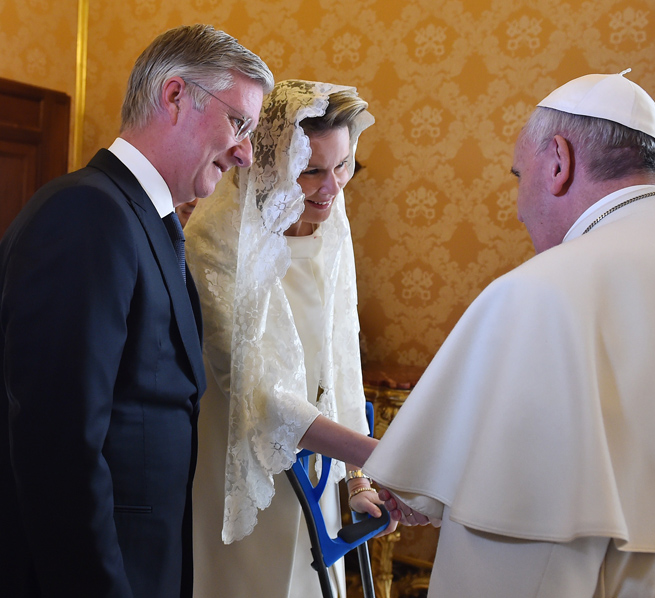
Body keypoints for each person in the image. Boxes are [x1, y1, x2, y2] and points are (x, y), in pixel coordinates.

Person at [363, 72, 655, 597]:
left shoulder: (541, 292)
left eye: (518, 175)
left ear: (558, 161)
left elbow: (520, 545)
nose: (520, 207)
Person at [0, 24, 272, 598]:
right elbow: (60, 443)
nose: (246, 152)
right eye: (239, 123)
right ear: (175, 96)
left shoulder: (144, 220)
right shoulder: (87, 214)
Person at [185, 80, 415, 598]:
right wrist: (386, 457)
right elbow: (258, 396)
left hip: (321, 465)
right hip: (243, 463)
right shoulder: (215, 240)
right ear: (268, 164)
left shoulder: (330, 224)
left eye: (342, 166)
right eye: (311, 170)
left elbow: (339, 356)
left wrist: (356, 477)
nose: (331, 188)